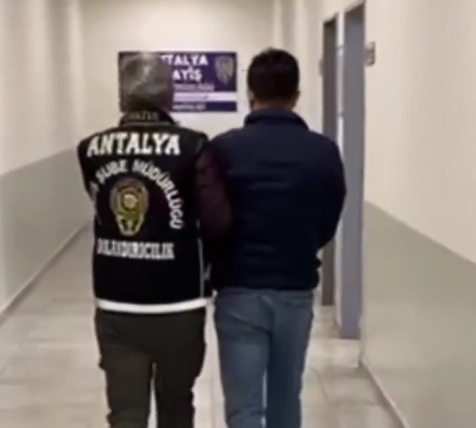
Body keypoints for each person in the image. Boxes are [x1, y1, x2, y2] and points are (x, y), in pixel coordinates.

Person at [76, 52, 231, 428]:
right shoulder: (193, 146)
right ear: (170, 95)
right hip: (178, 300)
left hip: (115, 299)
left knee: (126, 413)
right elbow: (218, 222)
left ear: (122, 97)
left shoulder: (90, 149)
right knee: (176, 405)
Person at [209, 48, 347, 428]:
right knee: (287, 398)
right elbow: (329, 219)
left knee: (244, 406)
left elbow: (211, 218)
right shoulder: (323, 152)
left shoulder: (224, 149)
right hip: (295, 287)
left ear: (250, 94)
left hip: (239, 288)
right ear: (296, 96)